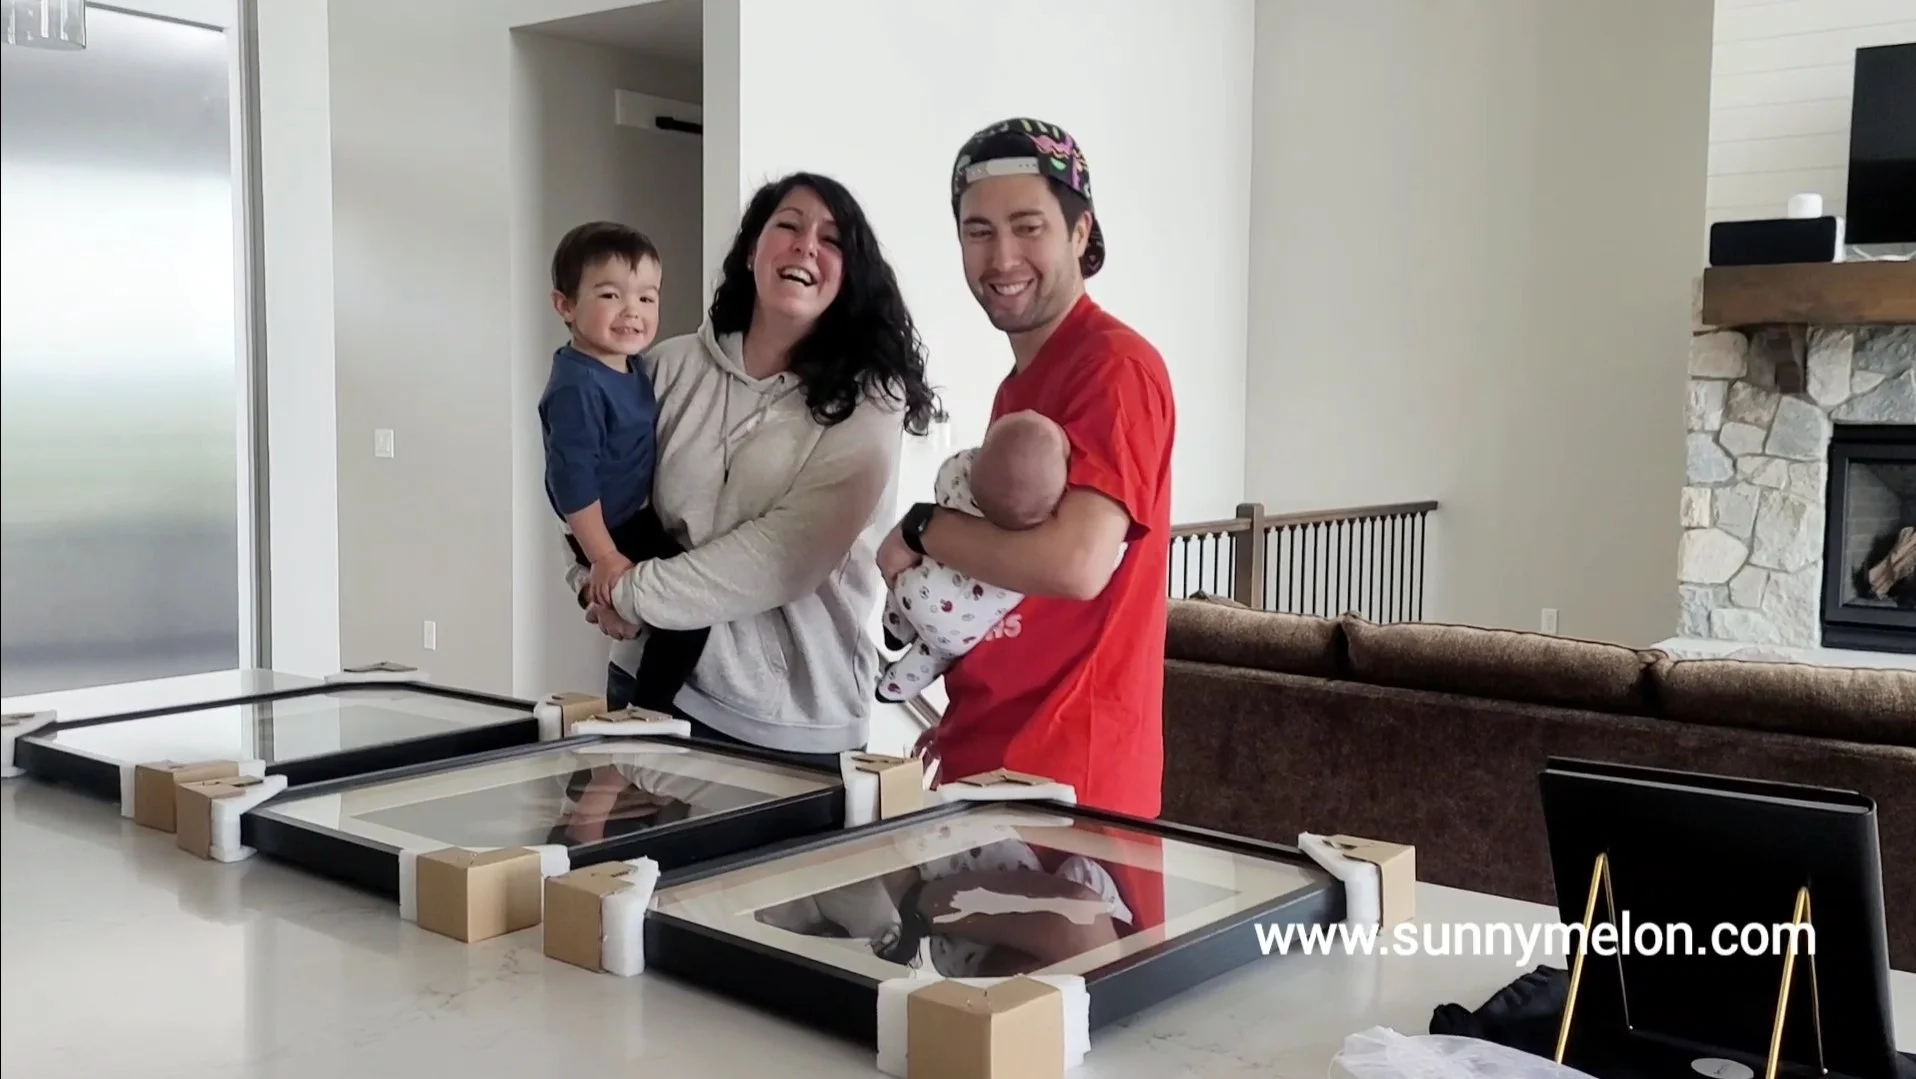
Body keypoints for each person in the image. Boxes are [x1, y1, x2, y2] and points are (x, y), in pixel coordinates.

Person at [570, 172, 940, 770]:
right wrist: (590, 579)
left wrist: (629, 593)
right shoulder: (667, 368)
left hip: (793, 727)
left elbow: (785, 555)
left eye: (832, 239)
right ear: (751, 251)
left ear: (850, 274)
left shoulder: (871, 400)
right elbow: (589, 476)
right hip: (650, 692)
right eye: (788, 227)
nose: (805, 247)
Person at [878, 118, 1177, 819]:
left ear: (1080, 232)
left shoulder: (1115, 367)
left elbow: (1075, 564)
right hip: (995, 757)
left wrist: (923, 527)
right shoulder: (1022, 384)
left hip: (1071, 772)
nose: (1001, 255)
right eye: (978, 231)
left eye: (1027, 226)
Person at [538, 221, 707, 713]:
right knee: (689, 615)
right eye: (611, 294)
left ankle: (611, 608)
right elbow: (571, 482)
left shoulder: (631, 366)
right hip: (609, 526)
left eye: (647, 298)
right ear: (565, 305)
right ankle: (646, 713)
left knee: (663, 602)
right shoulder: (577, 386)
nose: (632, 311)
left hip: (632, 515)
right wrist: (603, 557)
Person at [876, 409, 1074, 703]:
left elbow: (946, 476)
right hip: (958, 633)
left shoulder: (958, 484)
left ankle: (894, 628)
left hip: (917, 590)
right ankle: (894, 687)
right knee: (931, 655)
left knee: (904, 575)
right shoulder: (1037, 545)